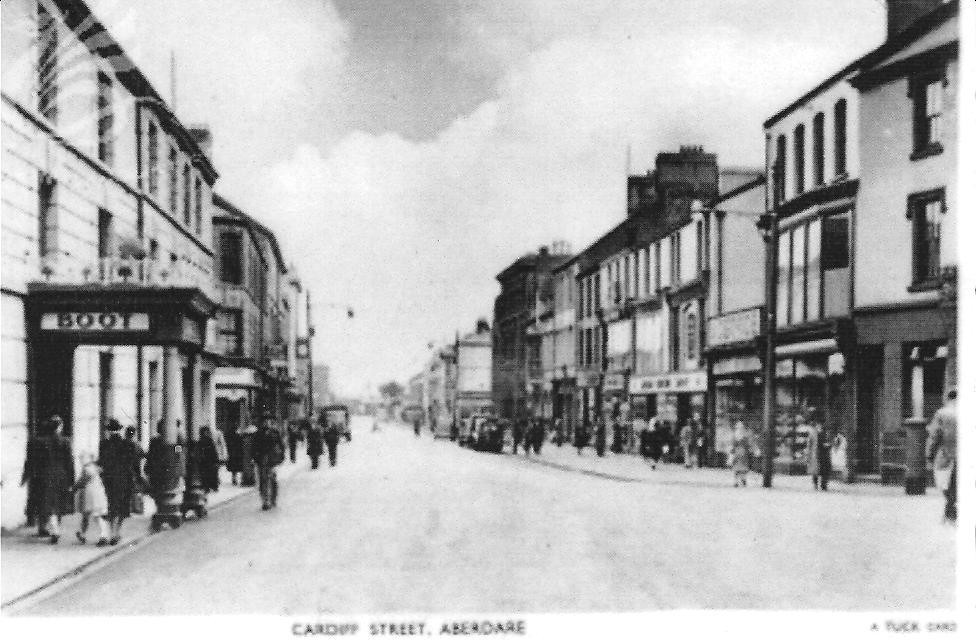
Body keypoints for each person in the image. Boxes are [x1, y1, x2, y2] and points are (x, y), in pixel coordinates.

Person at [21, 415, 74, 544]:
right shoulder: (65, 441)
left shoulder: (38, 441)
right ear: (59, 427)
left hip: (44, 476)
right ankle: (53, 529)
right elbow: (69, 462)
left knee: (46, 503)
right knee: (56, 504)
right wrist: (72, 480)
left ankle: (48, 529)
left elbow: (30, 460)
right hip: (61, 476)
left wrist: (25, 476)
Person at [99, 419, 141, 544]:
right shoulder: (128, 444)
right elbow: (134, 463)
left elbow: (101, 462)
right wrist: (138, 477)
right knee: (122, 505)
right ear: (120, 430)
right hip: (125, 479)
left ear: (108, 431)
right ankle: (116, 532)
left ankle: (111, 531)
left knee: (111, 504)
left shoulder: (103, 444)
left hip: (109, 478)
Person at [926, 388, 957, 523]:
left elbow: (935, 435)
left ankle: (951, 510)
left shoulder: (942, 413)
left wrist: (930, 454)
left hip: (946, 456)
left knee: (945, 484)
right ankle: (951, 510)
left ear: (948, 398)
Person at [72, 453, 109, 546]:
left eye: (81, 459)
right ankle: (85, 533)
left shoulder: (87, 469)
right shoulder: (95, 468)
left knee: (89, 515)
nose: (81, 461)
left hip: (90, 494)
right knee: (95, 515)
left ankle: (102, 535)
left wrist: (73, 488)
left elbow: (82, 481)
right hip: (98, 492)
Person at [251, 418, 285, 510]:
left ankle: (273, 498)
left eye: (268, 421)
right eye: (265, 421)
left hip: (272, 460)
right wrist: (254, 457)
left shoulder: (275, 432)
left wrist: (281, 456)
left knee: (272, 480)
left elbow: (281, 445)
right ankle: (265, 501)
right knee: (263, 480)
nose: (267, 423)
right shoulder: (258, 433)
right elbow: (254, 447)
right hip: (261, 460)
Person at [805, 410, 831, 491]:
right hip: (816, 453)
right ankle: (815, 484)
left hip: (824, 453)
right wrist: (808, 454)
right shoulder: (813, 432)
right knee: (815, 470)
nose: (820, 426)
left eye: (821, 424)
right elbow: (809, 444)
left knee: (825, 469)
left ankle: (824, 485)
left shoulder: (826, 432)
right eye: (818, 424)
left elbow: (830, 441)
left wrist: (828, 445)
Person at [197, 427, 221, 493]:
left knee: (207, 474)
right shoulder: (207, 440)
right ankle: (211, 487)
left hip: (206, 460)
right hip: (208, 460)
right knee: (210, 474)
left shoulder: (202, 440)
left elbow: (178, 445)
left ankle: (208, 487)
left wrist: (177, 453)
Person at [730, 421, 752, 487]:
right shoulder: (743, 436)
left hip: (740, 453)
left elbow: (733, 446)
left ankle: (740, 480)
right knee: (740, 468)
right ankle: (741, 480)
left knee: (740, 468)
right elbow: (747, 445)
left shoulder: (736, 436)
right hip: (741, 453)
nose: (740, 429)